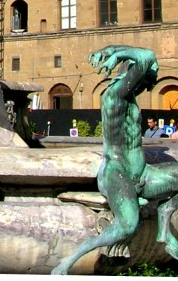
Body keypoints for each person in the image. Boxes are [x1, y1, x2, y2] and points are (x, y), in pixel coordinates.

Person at [53, 46, 178, 274]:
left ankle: (164, 228)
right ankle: (67, 262)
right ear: (133, 74)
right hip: (116, 172)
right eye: (149, 76)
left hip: (142, 173)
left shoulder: (129, 98)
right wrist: (114, 51)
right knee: (128, 225)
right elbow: (147, 56)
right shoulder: (114, 96)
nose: (150, 82)